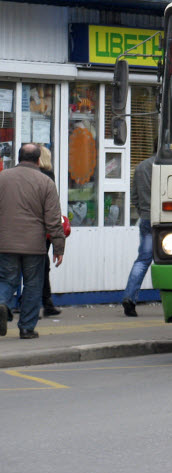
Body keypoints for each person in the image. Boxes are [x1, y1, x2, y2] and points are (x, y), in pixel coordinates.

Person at [0, 143, 64, 339]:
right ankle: (27, 328)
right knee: (33, 285)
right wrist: (58, 247)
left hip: (5, 242)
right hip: (34, 246)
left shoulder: (2, 178)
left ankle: (2, 303)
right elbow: (53, 219)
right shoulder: (46, 182)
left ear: (19, 157)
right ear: (38, 160)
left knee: (6, 280)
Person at [121, 153, 156, 317]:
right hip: (170, 221)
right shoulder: (169, 165)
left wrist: (144, 212)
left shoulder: (141, 167)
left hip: (147, 219)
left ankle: (129, 298)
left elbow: (134, 195)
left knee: (143, 260)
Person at [36, 146, 61, 317]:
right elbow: (52, 210)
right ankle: (46, 302)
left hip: (20, 230)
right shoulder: (47, 177)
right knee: (42, 267)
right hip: (41, 229)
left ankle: (14, 303)